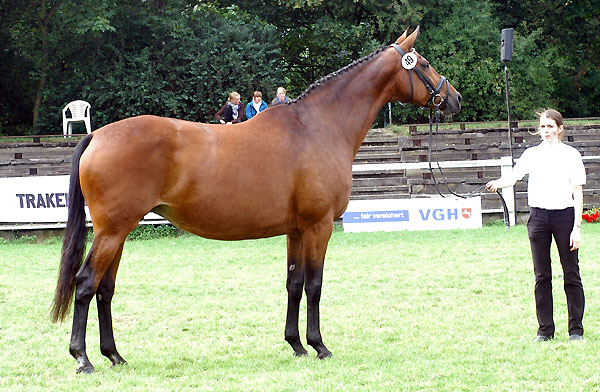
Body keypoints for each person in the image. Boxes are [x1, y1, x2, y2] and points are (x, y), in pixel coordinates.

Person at [486, 109, 586, 342]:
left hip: (564, 217)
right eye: (543, 126)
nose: (546, 131)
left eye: (550, 126)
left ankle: (576, 330)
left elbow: (578, 193)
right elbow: (513, 177)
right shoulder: (531, 154)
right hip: (539, 218)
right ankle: (545, 330)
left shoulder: (572, 155)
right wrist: (497, 184)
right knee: (542, 276)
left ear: (560, 128)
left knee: (571, 274)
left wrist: (577, 228)